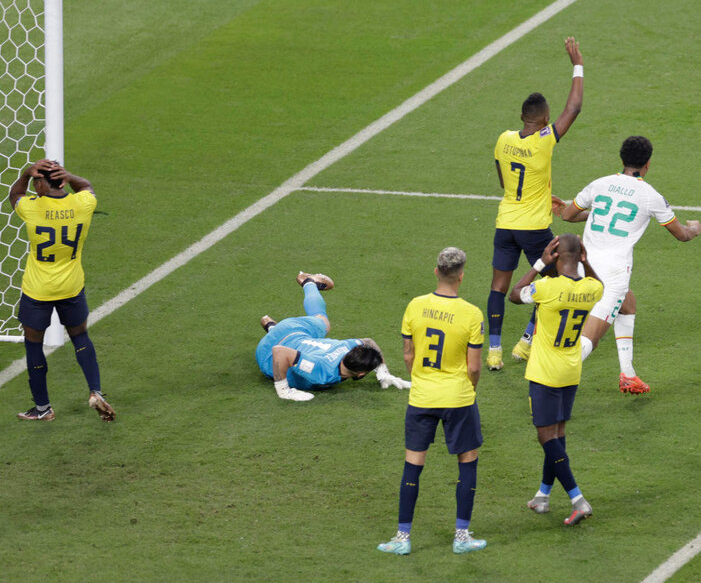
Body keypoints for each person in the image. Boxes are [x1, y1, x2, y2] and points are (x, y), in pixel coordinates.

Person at [513, 135, 700, 394]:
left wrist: (599, 212)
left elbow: (567, 215)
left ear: (622, 160)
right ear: (647, 164)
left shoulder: (600, 184)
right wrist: (695, 228)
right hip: (612, 275)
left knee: (628, 304)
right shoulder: (649, 195)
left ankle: (628, 373)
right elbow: (681, 234)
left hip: (582, 265)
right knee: (590, 340)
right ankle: (546, 381)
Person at [378, 247, 487, 556]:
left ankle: (402, 538)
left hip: (422, 396)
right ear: (461, 276)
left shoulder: (415, 306)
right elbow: (475, 366)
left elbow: (408, 354)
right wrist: (470, 388)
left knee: (413, 465)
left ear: (436, 271)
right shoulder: (471, 313)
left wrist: (423, 378)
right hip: (458, 397)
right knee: (467, 460)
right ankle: (461, 536)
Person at [487, 37, 585, 371]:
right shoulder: (545, 140)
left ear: (521, 116)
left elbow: (504, 181)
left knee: (498, 287)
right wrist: (577, 64)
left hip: (505, 223)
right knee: (554, 281)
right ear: (544, 120)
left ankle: (495, 351)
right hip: (533, 228)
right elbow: (573, 109)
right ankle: (526, 342)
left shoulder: (504, 138)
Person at [8, 159, 114, 422]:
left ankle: (43, 408)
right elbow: (87, 186)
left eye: (36, 181)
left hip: (38, 291)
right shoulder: (82, 204)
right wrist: (70, 176)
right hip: (71, 286)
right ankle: (95, 391)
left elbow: (15, 195)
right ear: (62, 181)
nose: (34, 186)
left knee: (33, 345)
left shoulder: (32, 207)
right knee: (80, 338)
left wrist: (24, 174)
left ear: (43, 183)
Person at [509, 234, 603, 525]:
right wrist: (586, 263)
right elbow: (599, 284)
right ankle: (543, 496)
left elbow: (515, 294)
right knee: (558, 435)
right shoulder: (592, 288)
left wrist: (540, 263)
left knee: (545, 436)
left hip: (545, 372)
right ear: (582, 256)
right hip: (571, 369)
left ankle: (578, 499)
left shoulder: (546, 287)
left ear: (556, 255)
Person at [255, 272, 409, 401]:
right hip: (267, 354)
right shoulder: (321, 371)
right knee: (320, 322)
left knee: (322, 323)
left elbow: (368, 342)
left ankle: (273, 328)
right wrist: (283, 390)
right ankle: (309, 281)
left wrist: (383, 371)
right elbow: (280, 352)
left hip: (292, 329)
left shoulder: (347, 347)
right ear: (361, 374)